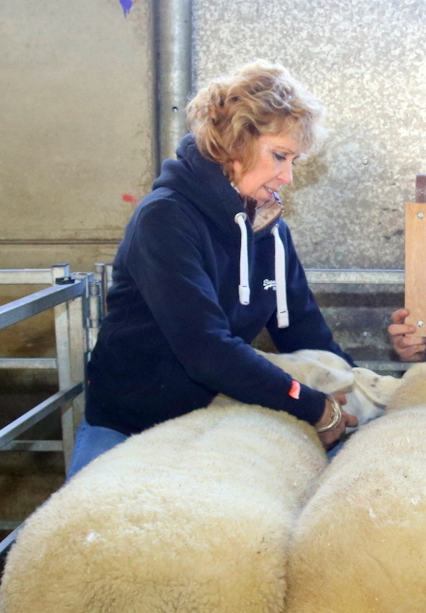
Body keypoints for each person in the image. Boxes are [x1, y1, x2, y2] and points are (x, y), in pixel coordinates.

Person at [70, 61, 356, 477]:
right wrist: (312, 406)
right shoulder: (165, 219)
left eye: (293, 160)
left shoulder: (270, 229)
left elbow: (303, 331)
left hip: (212, 421)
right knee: (90, 516)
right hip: (129, 422)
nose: (288, 176)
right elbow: (206, 349)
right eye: (279, 156)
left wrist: (357, 388)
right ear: (235, 143)